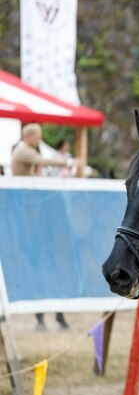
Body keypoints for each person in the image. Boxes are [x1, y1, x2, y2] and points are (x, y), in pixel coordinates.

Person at [11, 123, 75, 331]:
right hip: (26, 210)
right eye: (38, 137)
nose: (40, 140)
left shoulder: (27, 150)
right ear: (30, 136)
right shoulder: (24, 151)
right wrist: (65, 161)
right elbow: (43, 161)